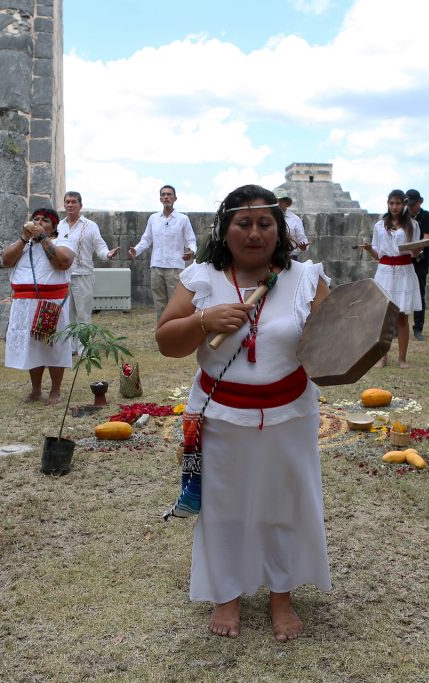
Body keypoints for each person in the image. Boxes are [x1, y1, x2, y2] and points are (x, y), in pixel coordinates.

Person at [156, 184, 332, 642]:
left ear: (280, 231)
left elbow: (335, 345)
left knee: (283, 504)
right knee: (223, 508)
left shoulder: (307, 278)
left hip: (289, 414)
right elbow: (165, 341)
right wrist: (202, 321)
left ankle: (282, 596)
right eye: (244, 223)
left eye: (264, 224)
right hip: (219, 417)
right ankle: (226, 594)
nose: (254, 233)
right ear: (225, 228)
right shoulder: (201, 278)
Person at [2, 207, 75, 404]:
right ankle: (36, 390)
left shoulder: (63, 242)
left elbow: (63, 262)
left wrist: (43, 238)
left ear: (53, 227)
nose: (38, 222)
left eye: (44, 221)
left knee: (54, 345)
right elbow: (6, 260)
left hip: (51, 302)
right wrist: (24, 238)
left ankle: (55, 390)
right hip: (25, 303)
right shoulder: (23, 245)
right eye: (35, 219)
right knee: (32, 345)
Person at [362, 189, 423, 367]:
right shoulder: (380, 226)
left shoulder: (413, 225)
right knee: (384, 316)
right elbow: (378, 254)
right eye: (391, 203)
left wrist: (419, 249)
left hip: (404, 270)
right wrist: (369, 249)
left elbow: (415, 250)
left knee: (402, 315)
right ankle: (382, 357)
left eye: (398, 203)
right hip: (385, 271)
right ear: (387, 204)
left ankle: (402, 358)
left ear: (403, 204)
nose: (394, 207)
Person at [58, 191, 119, 355]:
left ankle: (83, 349)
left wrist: (107, 254)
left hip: (82, 275)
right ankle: (69, 349)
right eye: (67, 202)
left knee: (83, 315)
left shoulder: (89, 225)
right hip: (63, 276)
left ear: (80, 205)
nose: (70, 205)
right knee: (67, 315)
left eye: (73, 202)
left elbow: (99, 246)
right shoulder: (60, 225)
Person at [128, 185, 197, 318]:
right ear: (160, 198)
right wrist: (136, 250)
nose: (166, 197)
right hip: (156, 267)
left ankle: (176, 334)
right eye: (163, 194)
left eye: (169, 194)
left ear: (175, 198)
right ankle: (163, 334)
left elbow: (191, 240)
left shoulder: (183, 219)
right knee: (159, 305)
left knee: (176, 304)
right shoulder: (153, 218)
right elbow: (146, 239)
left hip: (175, 268)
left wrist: (191, 251)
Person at [405, 189, 429, 340]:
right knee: (400, 293)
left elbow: (427, 239)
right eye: (408, 204)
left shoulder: (427, 217)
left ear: (420, 202)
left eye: (413, 204)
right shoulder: (402, 217)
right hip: (403, 261)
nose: (410, 207)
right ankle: (399, 327)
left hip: (420, 262)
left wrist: (414, 252)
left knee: (419, 294)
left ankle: (418, 328)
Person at [274, 188, 309, 259]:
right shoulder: (267, 219)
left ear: (286, 203)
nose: (278, 204)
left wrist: (303, 247)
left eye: (281, 201)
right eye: (275, 201)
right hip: (270, 259)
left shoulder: (295, 219)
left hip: (290, 258)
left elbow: (302, 240)